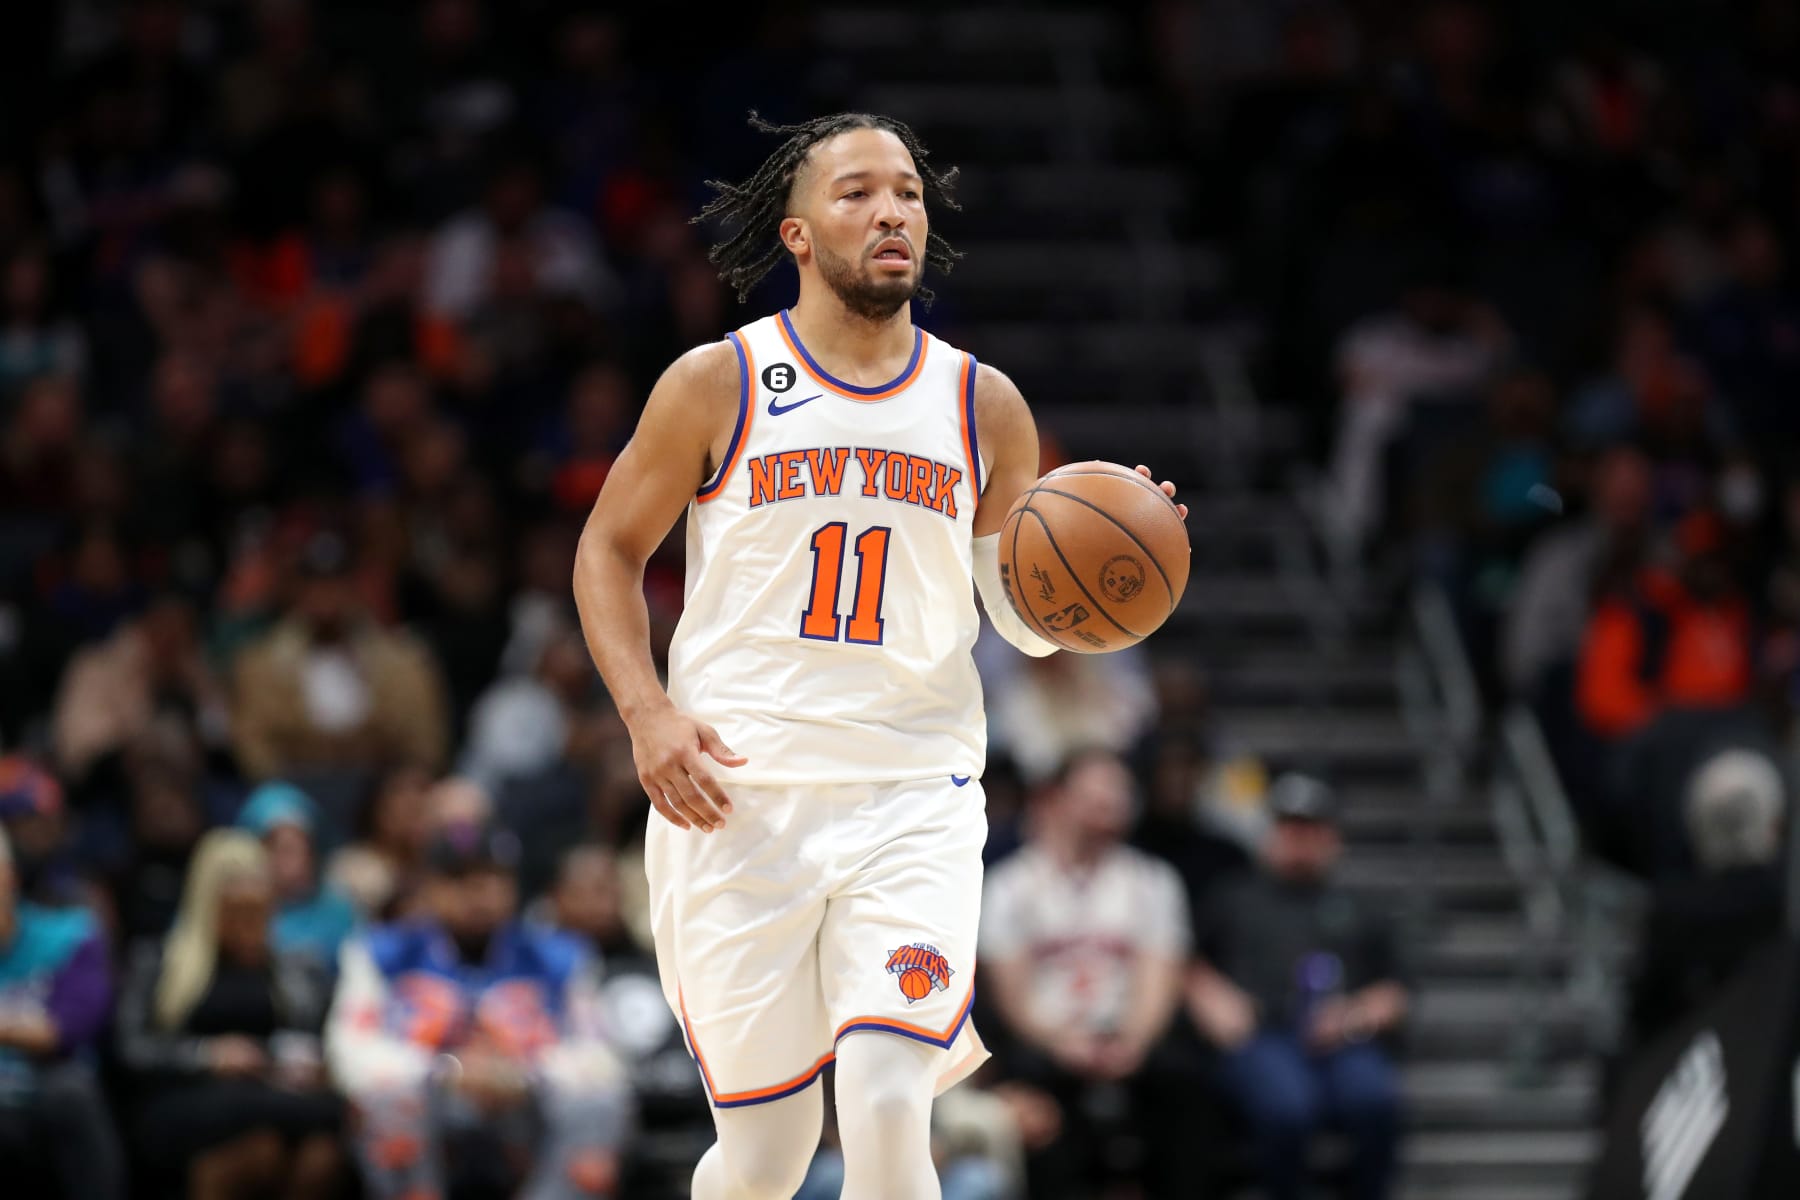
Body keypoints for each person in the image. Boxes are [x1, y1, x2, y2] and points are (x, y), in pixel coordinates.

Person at [571, 111, 1186, 1200]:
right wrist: (646, 713)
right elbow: (608, 551)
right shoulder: (720, 381)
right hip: (741, 795)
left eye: (906, 190)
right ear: (799, 236)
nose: (892, 209)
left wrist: (1118, 557)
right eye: (856, 192)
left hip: (914, 793)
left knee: (892, 1105)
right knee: (762, 1158)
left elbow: (1023, 617)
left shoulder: (982, 403)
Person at [325, 819, 633, 1200]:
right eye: (459, 878)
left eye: (491, 877)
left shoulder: (559, 955)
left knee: (599, 1098)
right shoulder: (380, 952)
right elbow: (350, 1049)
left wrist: (524, 1075)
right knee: (387, 1095)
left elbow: (600, 1055)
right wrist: (445, 1071)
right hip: (430, 1103)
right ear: (430, 886)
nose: (477, 893)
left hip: (526, 1106)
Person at [979, 748, 1198, 1198]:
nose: (1112, 803)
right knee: (1032, 1094)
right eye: (1098, 792)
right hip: (1046, 1041)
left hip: (1127, 1038)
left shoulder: (1153, 880)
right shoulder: (1010, 885)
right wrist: (1060, 1042)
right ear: (1054, 800)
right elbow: (1011, 992)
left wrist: (1134, 1041)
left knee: (1186, 1083)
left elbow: (1159, 976)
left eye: (1119, 793)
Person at [1190, 773, 1408, 1200]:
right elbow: (1188, 961)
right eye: (1289, 827)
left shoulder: (1360, 905)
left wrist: (1354, 1016)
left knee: (1376, 1099)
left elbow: (1397, 989)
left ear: (1332, 838)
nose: (1299, 839)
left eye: (1312, 829)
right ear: (1269, 833)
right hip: (1262, 1035)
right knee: (1287, 1108)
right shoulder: (1234, 896)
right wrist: (1211, 998)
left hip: (1344, 1037)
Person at [114, 829, 344, 1200]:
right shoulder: (159, 960)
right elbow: (131, 1048)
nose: (248, 917)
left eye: (257, 907)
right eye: (236, 908)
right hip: (192, 1097)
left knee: (316, 1153)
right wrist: (208, 1054)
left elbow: (315, 1038)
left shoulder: (294, 968)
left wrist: (309, 1065)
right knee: (260, 1137)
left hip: (271, 1090)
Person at [0, 824, 123, 1200]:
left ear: (11, 878)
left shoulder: (71, 935)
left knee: (71, 1095)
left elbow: (67, 1029)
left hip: (48, 1089)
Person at [235, 781, 359, 970]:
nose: (292, 860)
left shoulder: (340, 909)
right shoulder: (239, 909)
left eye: (300, 846)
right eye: (277, 847)